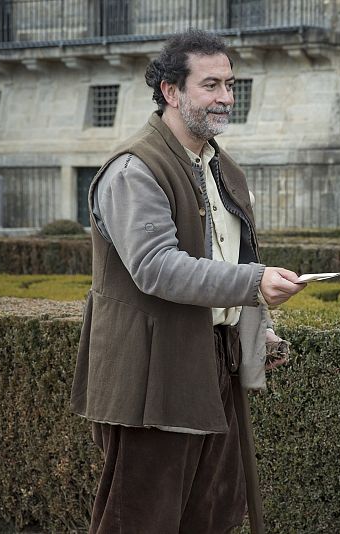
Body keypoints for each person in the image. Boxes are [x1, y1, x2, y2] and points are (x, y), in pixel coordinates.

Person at [70, 29, 306, 534]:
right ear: (172, 91)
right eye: (211, 84)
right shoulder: (136, 168)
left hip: (211, 363)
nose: (225, 97)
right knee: (141, 519)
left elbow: (229, 255)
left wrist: (257, 330)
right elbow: (157, 266)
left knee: (213, 515)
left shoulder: (220, 166)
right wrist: (255, 281)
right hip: (152, 376)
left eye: (230, 84)